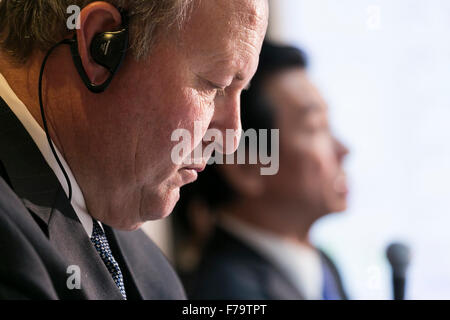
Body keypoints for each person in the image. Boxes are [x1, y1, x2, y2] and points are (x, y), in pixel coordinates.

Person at [0, 0, 268, 299]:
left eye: (239, 92)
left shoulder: (152, 269)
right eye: (214, 86)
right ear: (100, 45)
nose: (231, 139)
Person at [174, 41, 350, 300]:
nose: (343, 150)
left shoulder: (322, 265)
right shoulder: (223, 292)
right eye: (315, 127)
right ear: (245, 167)